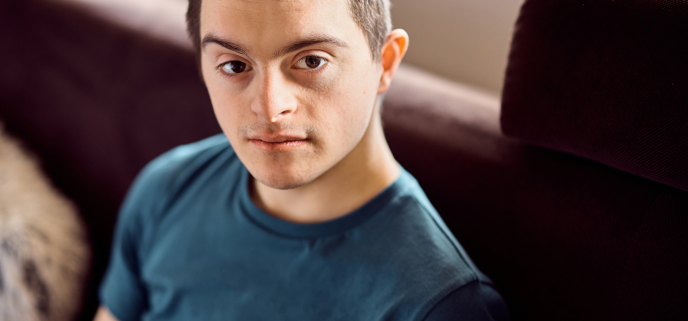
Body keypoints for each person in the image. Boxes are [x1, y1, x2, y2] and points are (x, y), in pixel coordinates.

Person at [94, 0, 509, 319]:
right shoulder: (166, 191)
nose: (270, 108)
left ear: (384, 62)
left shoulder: (438, 303)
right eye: (235, 65)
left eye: (311, 61)